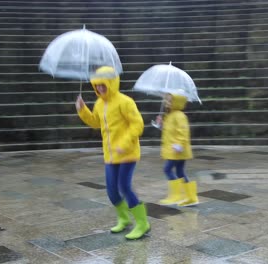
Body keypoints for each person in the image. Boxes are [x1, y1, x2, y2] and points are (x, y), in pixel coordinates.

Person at [75, 66, 150, 240]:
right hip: (110, 155)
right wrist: (82, 110)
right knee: (111, 191)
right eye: (97, 85)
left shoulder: (125, 101)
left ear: (112, 82)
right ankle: (124, 219)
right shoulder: (99, 103)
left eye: (103, 84)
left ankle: (143, 223)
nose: (100, 88)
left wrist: (124, 143)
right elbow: (95, 122)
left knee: (124, 186)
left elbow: (137, 125)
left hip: (127, 153)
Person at [156, 93, 199, 206]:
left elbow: (183, 131)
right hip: (175, 149)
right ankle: (191, 197)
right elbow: (168, 131)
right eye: (167, 100)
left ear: (177, 102)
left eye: (170, 101)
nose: (167, 103)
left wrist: (179, 145)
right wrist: (160, 124)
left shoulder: (179, 115)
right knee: (180, 172)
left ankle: (176, 196)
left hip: (177, 149)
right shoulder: (169, 115)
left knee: (167, 169)